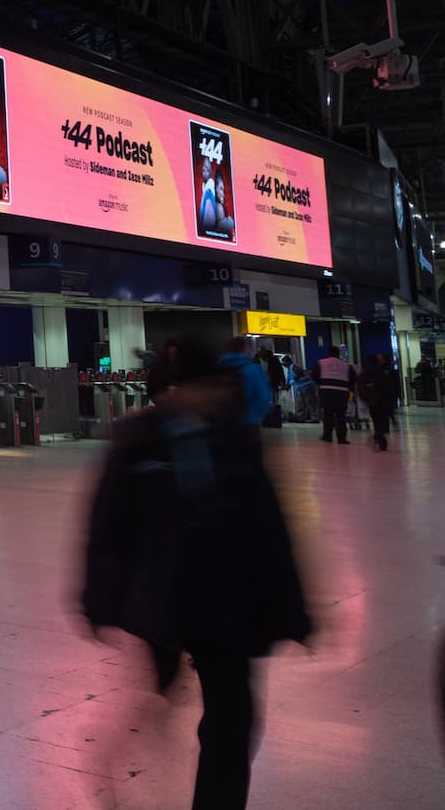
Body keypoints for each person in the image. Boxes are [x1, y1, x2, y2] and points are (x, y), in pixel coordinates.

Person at [81, 333, 311, 810]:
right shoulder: (138, 440)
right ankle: (144, 732)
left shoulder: (235, 438)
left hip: (224, 602)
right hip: (163, 598)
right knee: (164, 694)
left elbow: (269, 528)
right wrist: (99, 599)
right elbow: (107, 526)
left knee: (232, 719)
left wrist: (292, 609)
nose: (194, 398)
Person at [356, 354, 397, 452]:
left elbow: (361, 386)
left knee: (376, 420)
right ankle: (380, 436)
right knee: (382, 418)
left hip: (372, 400)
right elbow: (388, 386)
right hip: (383, 399)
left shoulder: (366, 372)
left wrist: (365, 398)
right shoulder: (382, 371)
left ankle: (379, 436)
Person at [314, 346, 354, 444]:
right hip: (341, 392)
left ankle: (327, 436)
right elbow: (353, 378)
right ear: (338, 353)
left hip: (326, 392)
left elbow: (314, 376)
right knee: (341, 416)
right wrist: (347, 387)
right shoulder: (346, 365)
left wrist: (321, 384)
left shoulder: (321, 363)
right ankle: (341, 438)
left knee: (328, 415)